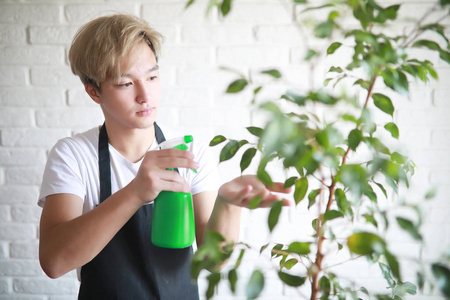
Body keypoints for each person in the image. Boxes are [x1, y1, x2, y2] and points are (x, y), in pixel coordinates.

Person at [38, 13, 291, 300]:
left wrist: (228, 203)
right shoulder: (73, 155)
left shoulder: (191, 153)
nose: (146, 95)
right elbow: (54, 262)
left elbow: (212, 261)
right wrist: (136, 192)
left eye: (153, 76)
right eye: (125, 84)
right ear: (94, 92)